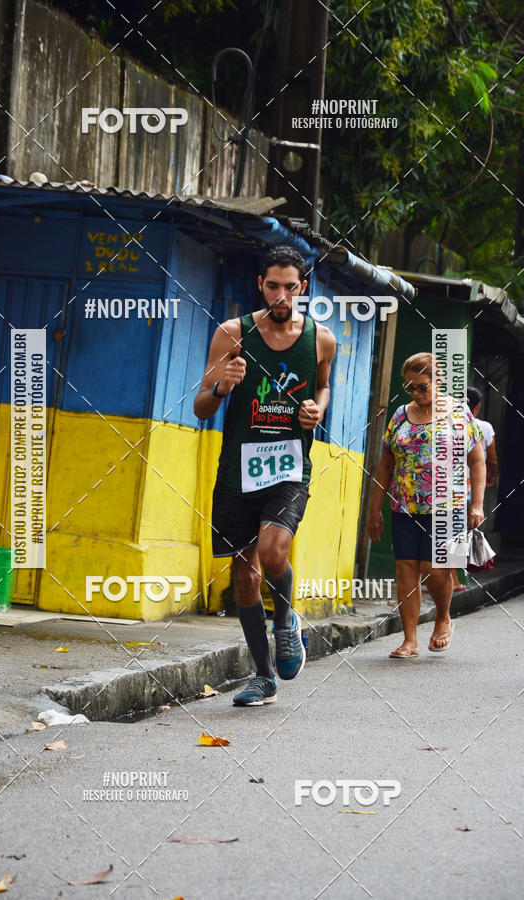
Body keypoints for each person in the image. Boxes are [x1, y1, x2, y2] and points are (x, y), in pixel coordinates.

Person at [194, 245, 336, 705]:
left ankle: (285, 622)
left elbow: (323, 386)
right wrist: (222, 387)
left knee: (275, 550)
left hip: (288, 468)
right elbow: (201, 407)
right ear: (260, 284)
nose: (281, 296)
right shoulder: (232, 334)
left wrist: (318, 409)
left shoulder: (321, 338)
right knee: (245, 576)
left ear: (303, 287)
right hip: (238, 472)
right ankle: (263, 677)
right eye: (272, 286)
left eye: (290, 287)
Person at [367, 352, 486, 658]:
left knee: (435, 567)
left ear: (438, 381)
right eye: (410, 387)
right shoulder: (399, 416)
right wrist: (374, 509)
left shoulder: (458, 413)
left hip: (448, 506)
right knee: (406, 569)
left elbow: (477, 461)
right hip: (405, 506)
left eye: (422, 386)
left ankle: (443, 617)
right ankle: (410, 640)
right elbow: (385, 465)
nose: (416, 393)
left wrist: (477, 505)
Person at [450, 386, 499, 590]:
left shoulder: (447, 424)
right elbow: (492, 458)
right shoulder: (484, 427)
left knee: (451, 533)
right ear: (477, 407)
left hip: (451, 489)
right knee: (463, 533)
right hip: (472, 490)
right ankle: (457, 577)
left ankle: (454, 578)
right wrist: (491, 476)